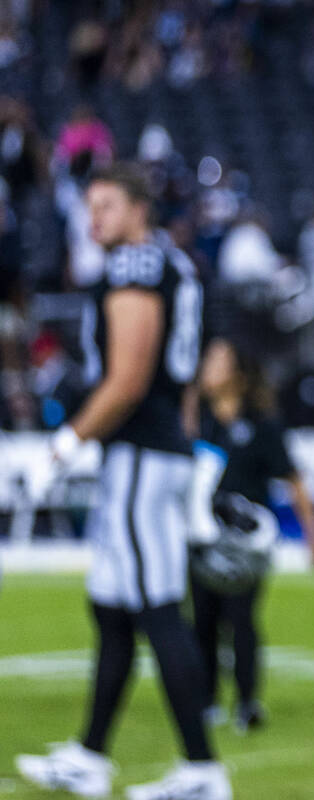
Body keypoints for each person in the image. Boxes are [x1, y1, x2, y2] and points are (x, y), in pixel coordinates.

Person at [15, 163, 232, 799]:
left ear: (140, 207)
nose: (94, 219)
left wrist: (62, 446)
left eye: (106, 205)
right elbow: (181, 379)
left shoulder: (137, 265)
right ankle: (89, 755)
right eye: (91, 206)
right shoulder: (177, 265)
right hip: (154, 454)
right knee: (112, 607)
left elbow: (130, 378)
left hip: (139, 456)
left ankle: (201, 770)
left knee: (156, 606)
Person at [188, 337, 314, 732]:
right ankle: (207, 701)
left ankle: (246, 702)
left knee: (241, 618)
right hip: (200, 536)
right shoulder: (195, 420)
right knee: (202, 620)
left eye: (217, 361)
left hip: (246, 544)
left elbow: (294, 481)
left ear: (238, 373)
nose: (207, 368)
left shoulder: (262, 424)